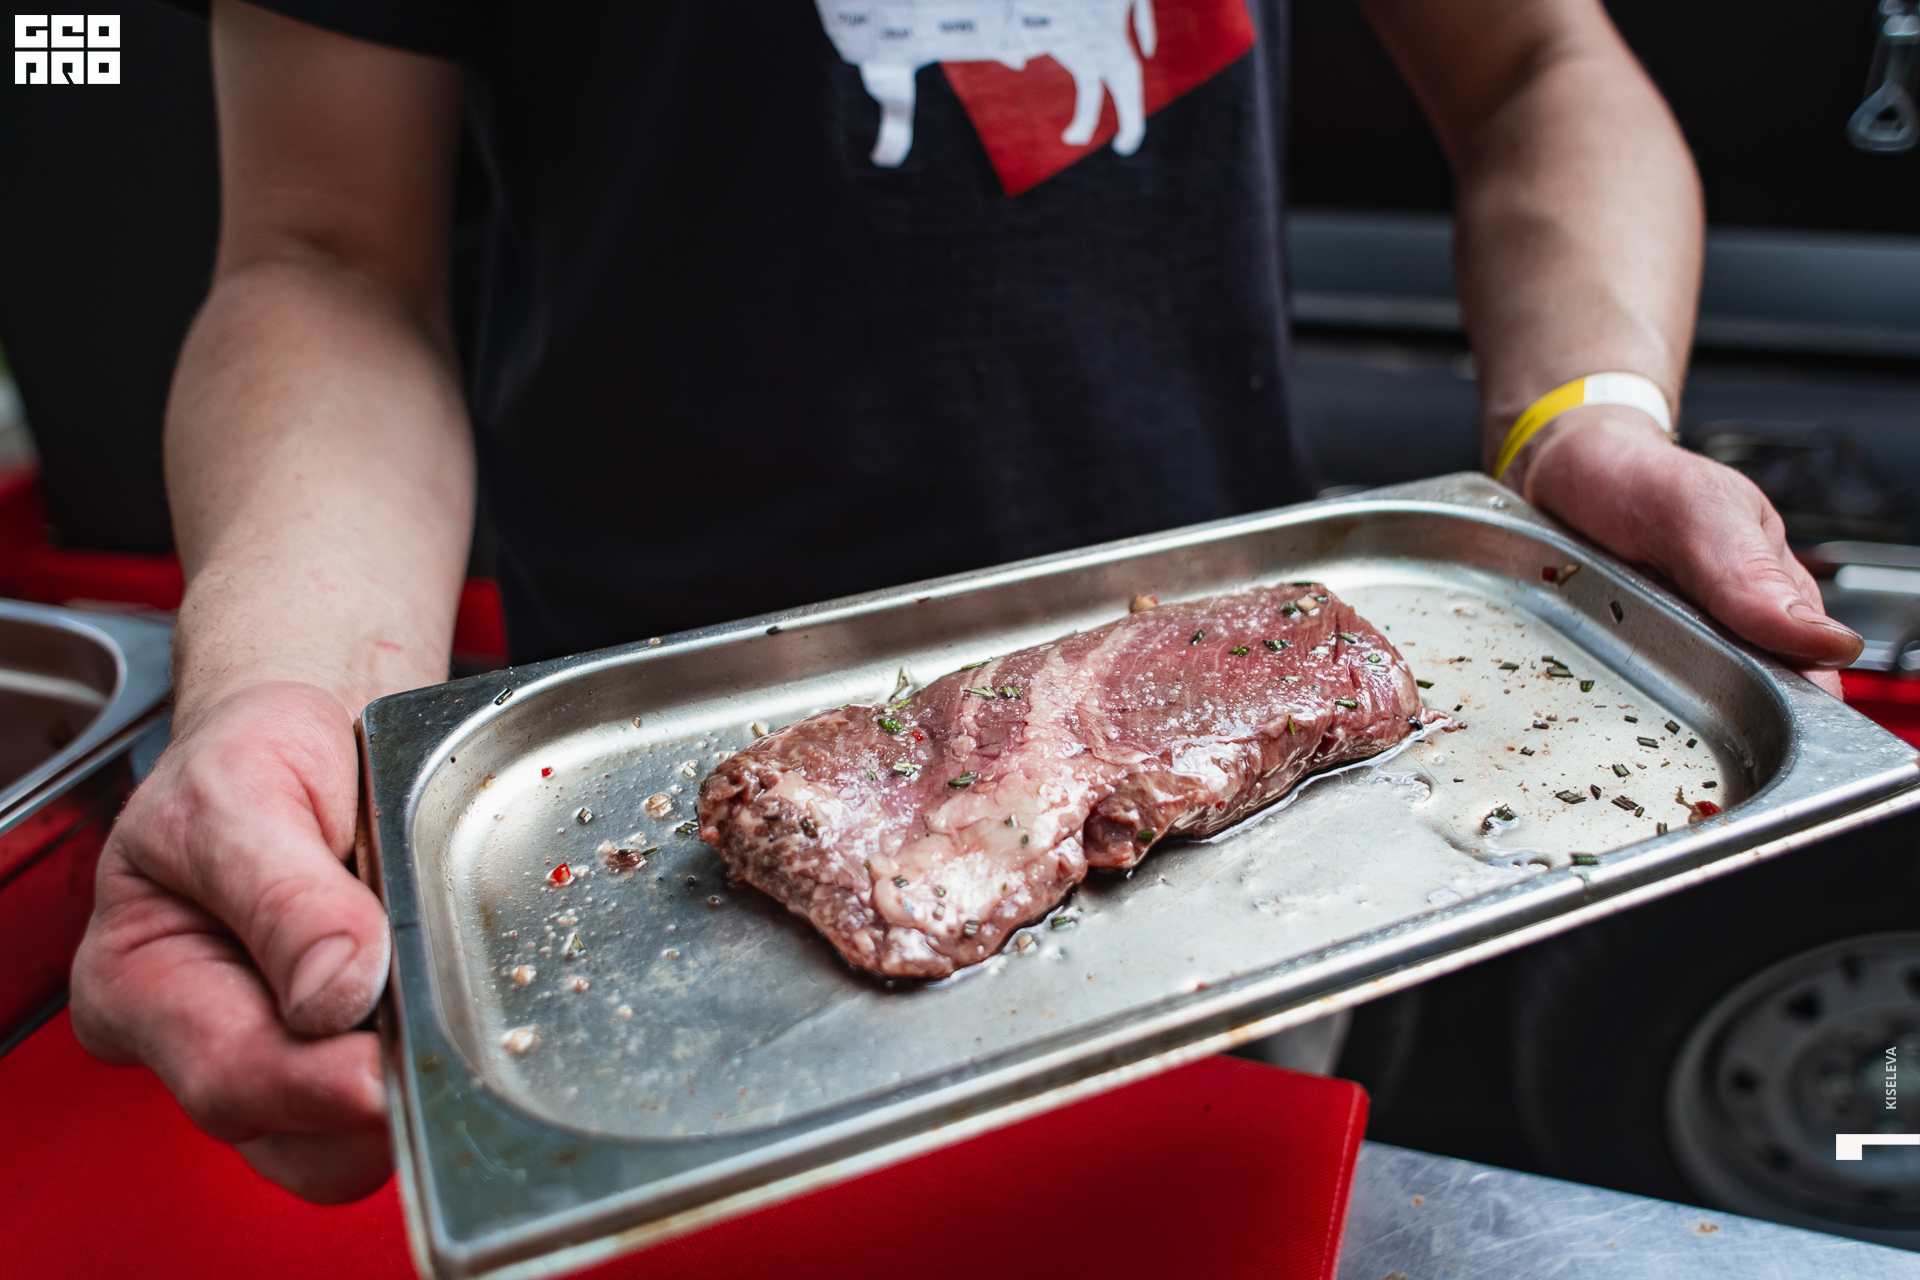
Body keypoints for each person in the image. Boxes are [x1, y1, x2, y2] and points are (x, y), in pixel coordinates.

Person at [70, 0, 1863, 1204]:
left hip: (1269, 813)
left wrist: (1580, 420)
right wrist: (284, 690)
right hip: (633, 803)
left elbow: (1542, 64)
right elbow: (327, 253)